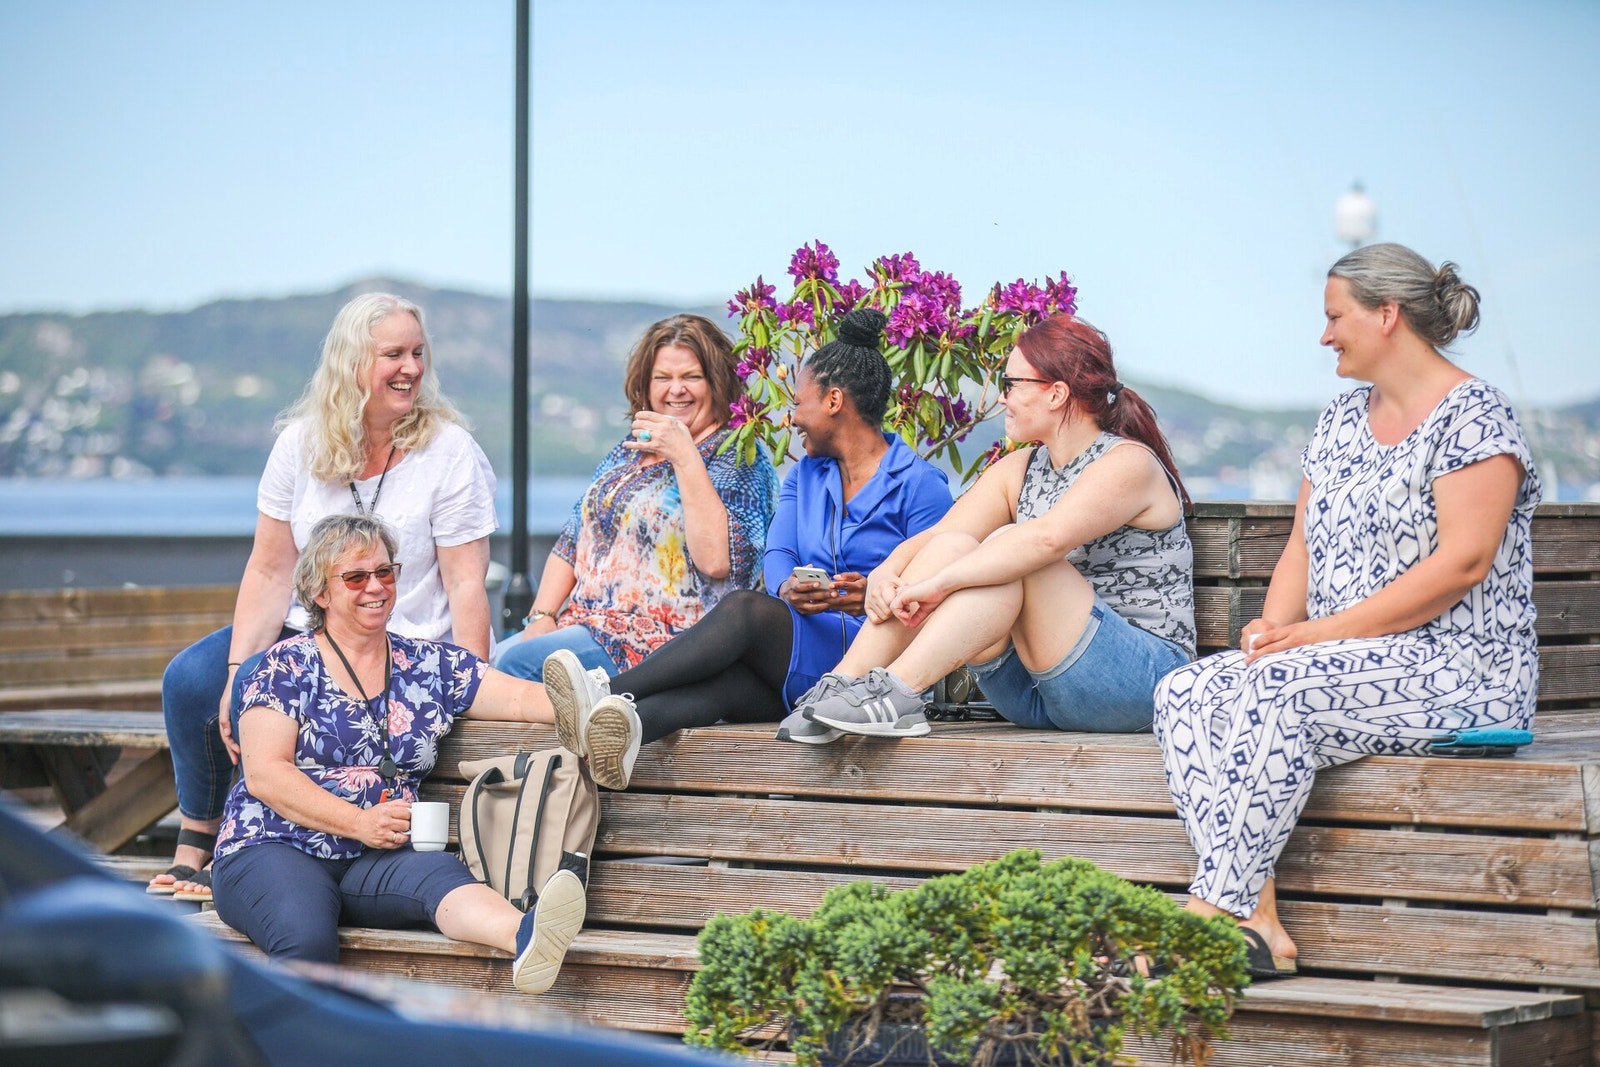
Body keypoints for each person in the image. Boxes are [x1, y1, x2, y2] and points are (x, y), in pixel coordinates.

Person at [1152, 244, 1540, 980]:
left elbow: (1464, 562)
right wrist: (1273, 628)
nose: (1324, 335)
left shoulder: (1475, 417)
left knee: (1277, 687)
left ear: (1387, 315)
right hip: (1343, 660)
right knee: (1185, 691)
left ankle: (1206, 916)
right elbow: (1301, 543)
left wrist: (1310, 639)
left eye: (1335, 317)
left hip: (1459, 671)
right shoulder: (1338, 419)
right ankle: (1258, 921)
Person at [150, 293, 497, 901]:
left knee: (260, 685)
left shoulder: (448, 451)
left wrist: (472, 681)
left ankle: (246, 845)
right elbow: (269, 570)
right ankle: (198, 835)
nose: (412, 368)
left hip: (403, 642)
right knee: (190, 679)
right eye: (394, 354)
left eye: (418, 353)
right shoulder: (300, 444)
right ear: (352, 362)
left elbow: (466, 582)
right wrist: (233, 673)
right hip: (313, 630)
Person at [539, 309, 954, 788]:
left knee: (743, 610)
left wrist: (870, 595)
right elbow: (778, 555)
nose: (792, 418)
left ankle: (605, 692)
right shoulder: (805, 475)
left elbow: (937, 592)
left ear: (834, 401)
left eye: (799, 404)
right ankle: (625, 732)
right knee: (725, 688)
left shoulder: (920, 485)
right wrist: (787, 587)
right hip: (803, 657)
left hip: (867, 662)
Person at [211, 515, 586, 996]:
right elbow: (265, 774)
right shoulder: (282, 666)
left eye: (385, 572)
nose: (376, 587)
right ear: (320, 592)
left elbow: (518, 699)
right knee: (306, 938)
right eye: (356, 577)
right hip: (275, 846)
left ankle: (528, 937)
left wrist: (595, 705)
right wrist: (357, 822)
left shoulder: (429, 664)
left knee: (440, 876)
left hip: (376, 853)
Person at [797, 313, 1195, 739]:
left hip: (1137, 684)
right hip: (1035, 687)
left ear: (1057, 393)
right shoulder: (1020, 468)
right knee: (953, 544)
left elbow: (1045, 540)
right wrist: (888, 569)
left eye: (1011, 385)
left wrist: (940, 585)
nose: (1003, 399)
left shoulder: (1129, 463)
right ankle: (842, 684)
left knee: (1012, 549)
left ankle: (898, 692)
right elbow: (937, 536)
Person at [492, 313, 779, 706]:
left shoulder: (738, 456)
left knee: (514, 666)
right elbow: (572, 539)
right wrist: (541, 616)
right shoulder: (629, 451)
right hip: (584, 623)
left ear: (717, 383)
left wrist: (684, 455)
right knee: (483, 668)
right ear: (645, 385)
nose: (676, 389)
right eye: (663, 377)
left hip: (665, 641)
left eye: (691, 377)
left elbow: (718, 563)